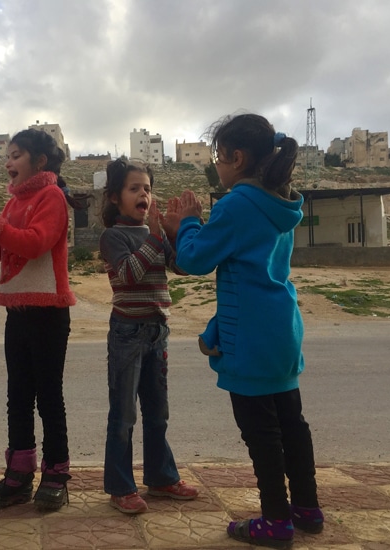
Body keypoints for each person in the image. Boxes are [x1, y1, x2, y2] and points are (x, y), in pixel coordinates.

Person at [174, 113, 323, 548]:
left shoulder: (237, 204)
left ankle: (276, 521)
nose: (216, 165)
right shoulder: (282, 203)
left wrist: (186, 222)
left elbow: (195, 259)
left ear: (237, 158)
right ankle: (307, 509)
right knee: (292, 423)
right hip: (282, 329)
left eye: (218, 156)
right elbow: (253, 273)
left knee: (261, 433)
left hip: (250, 338)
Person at [0, 129, 76, 511]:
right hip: (17, 313)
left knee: (48, 397)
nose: (8, 162)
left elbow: (35, 242)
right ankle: (19, 474)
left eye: (16, 155)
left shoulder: (52, 196)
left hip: (47, 314)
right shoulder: (12, 203)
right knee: (18, 396)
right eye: (7, 156)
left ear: (39, 162)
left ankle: (56, 474)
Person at [98, 158, 199, 514]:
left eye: (147, 188)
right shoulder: (113, 236)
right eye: (134, 188)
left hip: (158, 331)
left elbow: (183, 267)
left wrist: (181, 229)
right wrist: (157, 238)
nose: (144, 194)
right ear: (114, 197)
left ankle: (160, 477)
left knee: (158, 413)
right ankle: (120, 486)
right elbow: (127, 274)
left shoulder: (154, 235)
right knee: (123, 415)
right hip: (127, 333)